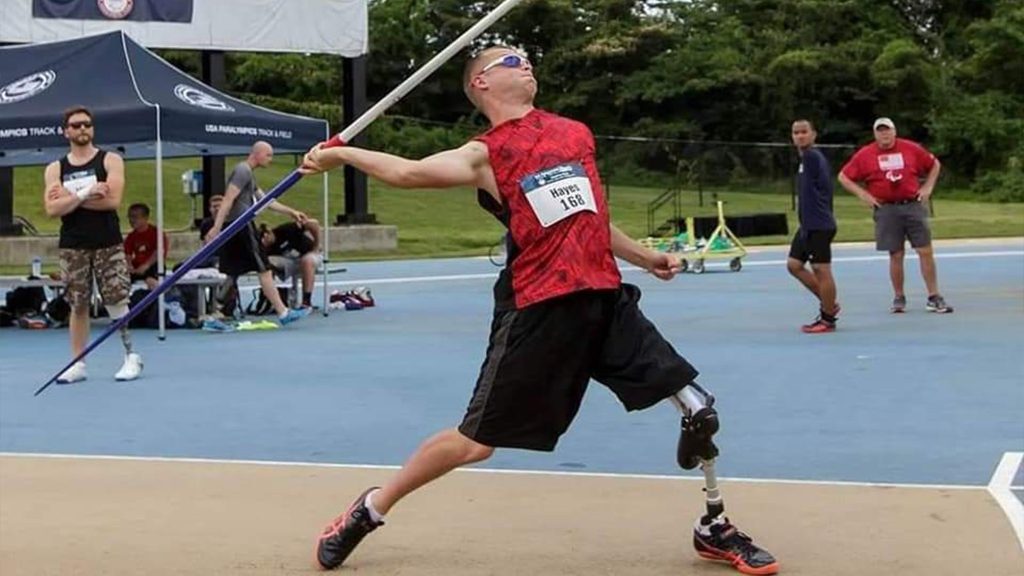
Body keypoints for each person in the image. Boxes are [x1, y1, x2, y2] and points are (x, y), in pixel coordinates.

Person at [300, 46, 778, 575]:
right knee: (474, 444)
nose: (526, 64)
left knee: (698, 409)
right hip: (539, 308)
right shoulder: (486, 153)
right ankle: (368, 510)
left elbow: (590, 218)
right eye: (511, 61)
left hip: (605, 299)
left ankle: (714, 528)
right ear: (481, 83)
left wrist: (644, 257)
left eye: (527, 58)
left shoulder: (575, 134)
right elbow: (411, 174)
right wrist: (343, 155)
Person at [42, 105, 143, 383]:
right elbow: (52, 209)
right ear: (66, 132)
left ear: (93, 128)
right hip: (73, 244)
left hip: (106, 241)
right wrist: (87, 191)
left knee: (116, 299)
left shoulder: (110, 160)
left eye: (86, 124)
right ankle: (78, 363)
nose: (82, 129)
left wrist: (69, 197)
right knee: (78, 303)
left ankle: (130, 355)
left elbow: (112, 201)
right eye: (76, 125)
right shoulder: (55, 168)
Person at [838, 118, 952, 314]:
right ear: (875, 134)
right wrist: (863, 194)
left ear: (894, 131)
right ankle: (899, 296)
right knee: (896, 254)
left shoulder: (911, 148)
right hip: (887, 208)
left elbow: (934, 164)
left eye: (887, 130)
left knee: (925, 250)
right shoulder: (866, 154)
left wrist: (928, 186)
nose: (884, 135)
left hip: (912, 204)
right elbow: (844, 176)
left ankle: (933, 296)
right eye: (880, 131)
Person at [205, 141, 310, 325]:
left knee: (232, 272)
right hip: (241, 225)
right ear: (257, 154)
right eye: (268, 155)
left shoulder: (248, 174)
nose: (271, 159)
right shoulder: (242, 171)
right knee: (264, 269)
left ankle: (215, 313)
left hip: (235, 226)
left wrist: (291, 212)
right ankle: (283, 312)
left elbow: (266, 200)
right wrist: (217, 227)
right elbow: (228, 199)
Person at [787, 120, 839, 333]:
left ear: (813, 135)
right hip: (807, 225)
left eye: (804, 132)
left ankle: (828, 318)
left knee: (821, 269)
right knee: (794, 264)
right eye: (796, 133)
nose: (800, 136)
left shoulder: (812, 157)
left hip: (819, 224)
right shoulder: (804, 159)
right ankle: (829, 303)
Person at [259, 219, 322, 308]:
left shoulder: (286, 230)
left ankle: (306, 301)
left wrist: (316, 246)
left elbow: (314, 223)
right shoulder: (265, 248)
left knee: (307, 260)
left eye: (265, 237)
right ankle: (269, 299)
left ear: (268, 233)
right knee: (266, 261)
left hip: (309, 255)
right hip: (289, 262)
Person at [124, 202, 169, 290]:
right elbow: (127, 254)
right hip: (137, 266)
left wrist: (146, 266)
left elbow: (159, 252)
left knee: (152, 279)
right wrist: (129, 266)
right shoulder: (131, 236)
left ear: (145, 218)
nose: (132, 220)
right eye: (130, 217)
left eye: (135, 217)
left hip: (153, 267)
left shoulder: (156, 234)